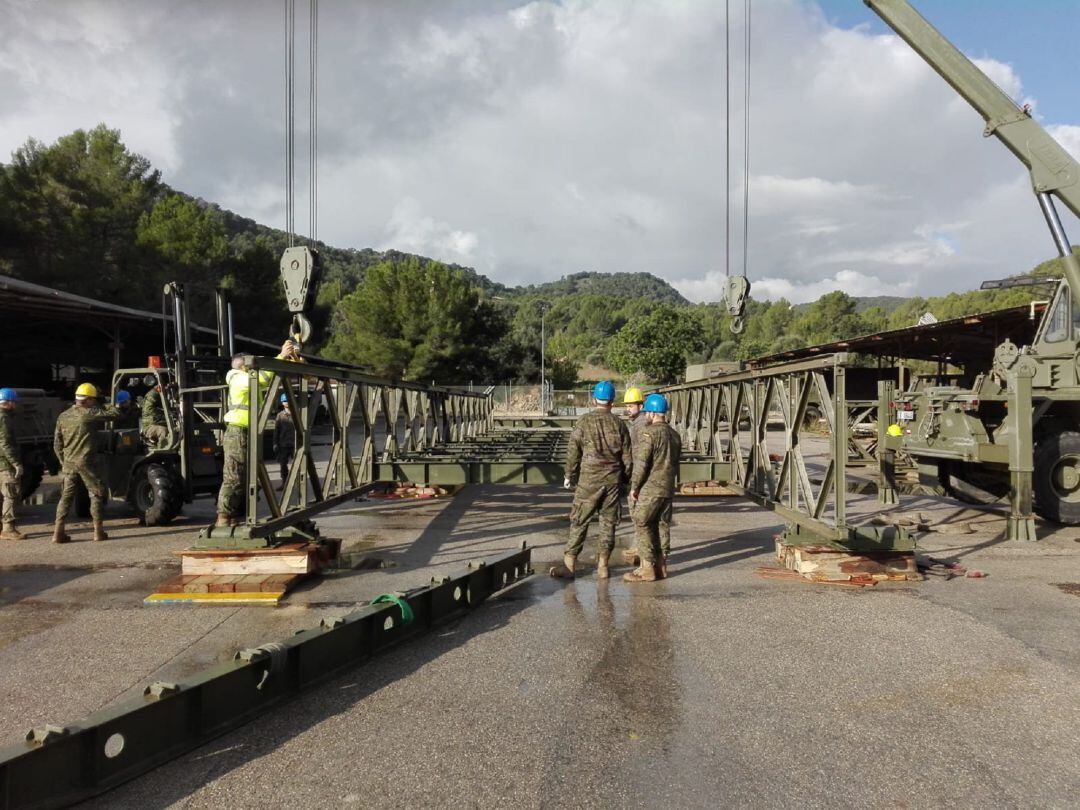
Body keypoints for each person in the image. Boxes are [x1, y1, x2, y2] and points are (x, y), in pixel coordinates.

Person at [550, 380, 631, 580]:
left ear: (594, 399)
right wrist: (626, 481)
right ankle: (603, 567)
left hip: (588, 480)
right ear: (612, 401)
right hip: (611, 481)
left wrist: (569, 474)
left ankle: (569, 565)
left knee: (579, 520)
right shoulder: (620, 424)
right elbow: (627, 458)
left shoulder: (584, 421)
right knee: (608, 523)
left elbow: (573, 450)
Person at [215, 341, 298, 527]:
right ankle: (223, 519)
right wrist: (280, 356)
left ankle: (234, 517)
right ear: (244, 366)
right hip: (238, 433)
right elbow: (262, 379)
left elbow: (267, 381)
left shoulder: (245, 380)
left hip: (248, 432)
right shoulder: (238, 378)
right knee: (234, 477)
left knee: (247, 477)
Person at [52, 383, 121, 543]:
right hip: (87, 462)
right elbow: (115, 413)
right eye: (94, 399)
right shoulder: (90, 413)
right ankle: (98, 532)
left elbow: (57, 444)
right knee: (95, 493)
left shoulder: (63, 416)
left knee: (66, 497)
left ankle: (57, 533)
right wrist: (105, 402)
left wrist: (63, 460)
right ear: (89, 400)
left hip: (69, 463)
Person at [624, 393, 682, 582]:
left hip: (651, 489)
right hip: (667, 489)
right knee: (660, 525)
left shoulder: (649, 434)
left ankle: (647, 568)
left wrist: (634, 487)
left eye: (648, 411)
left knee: (642, 523)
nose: (646, 415)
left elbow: (642, 464)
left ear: (652, 412)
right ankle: (661, 566)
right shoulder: (675, 435)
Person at [0, 388, 26, 541]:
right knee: (10, 494)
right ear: (8, 402)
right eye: (15, 402)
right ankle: (8, 528)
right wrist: (16, 464)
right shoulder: (3, 418)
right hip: (4, 463)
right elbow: (5, 443)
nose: (16, 405)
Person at [274, 393, 296, 487]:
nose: (286, 402)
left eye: (287, 400)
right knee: (283, 465)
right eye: (284, 401)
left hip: (295, 443)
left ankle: (297, 482)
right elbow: (276, 431)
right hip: (283, 444)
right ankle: (284, 483)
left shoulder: (296, 414)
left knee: (298, 465)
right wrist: (275, 443)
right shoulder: (280, 415)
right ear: (282, 403)